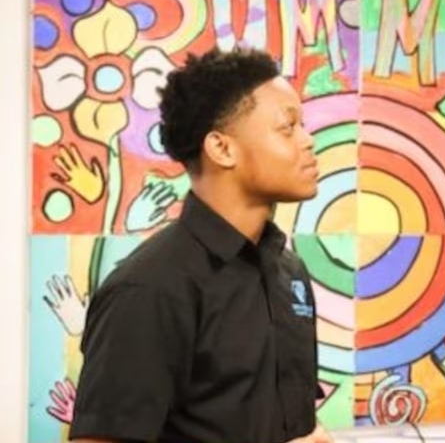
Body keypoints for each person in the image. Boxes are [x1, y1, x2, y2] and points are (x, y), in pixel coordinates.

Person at [69, 48, 331, 443]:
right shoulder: (149, 289)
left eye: (304, 125)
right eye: (287, 127)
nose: (308, 141)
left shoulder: (288, 272)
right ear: (222, 148)